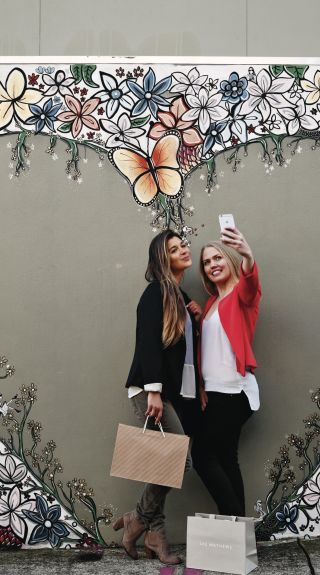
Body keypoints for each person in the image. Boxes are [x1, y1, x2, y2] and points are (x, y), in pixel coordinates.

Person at [113, 229, 201, 564]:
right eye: (175, 249)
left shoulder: (179, 294)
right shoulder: (155, 293)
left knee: (162, 464)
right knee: (178, 461)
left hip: (168, 393)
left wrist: (197, 318)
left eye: (183, 245)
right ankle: (137, 520)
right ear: (163, 258)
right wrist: (153, 391)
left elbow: (181, 352)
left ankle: (154, 534)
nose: (183, 250)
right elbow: (148, 342)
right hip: (150, 392)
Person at [192, 226, 261, 517]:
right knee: (225, 458)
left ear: (231, 261)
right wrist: (199, 319)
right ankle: (238, 537)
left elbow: (250, 283)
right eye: (207, 262)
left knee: (202, 455)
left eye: (217, 258)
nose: (212, 265)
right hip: (216, 391)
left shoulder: (241, 296)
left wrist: (247, 254)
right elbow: (214, 347)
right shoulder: (211, 303)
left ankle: (234, 527)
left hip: (234, 391)